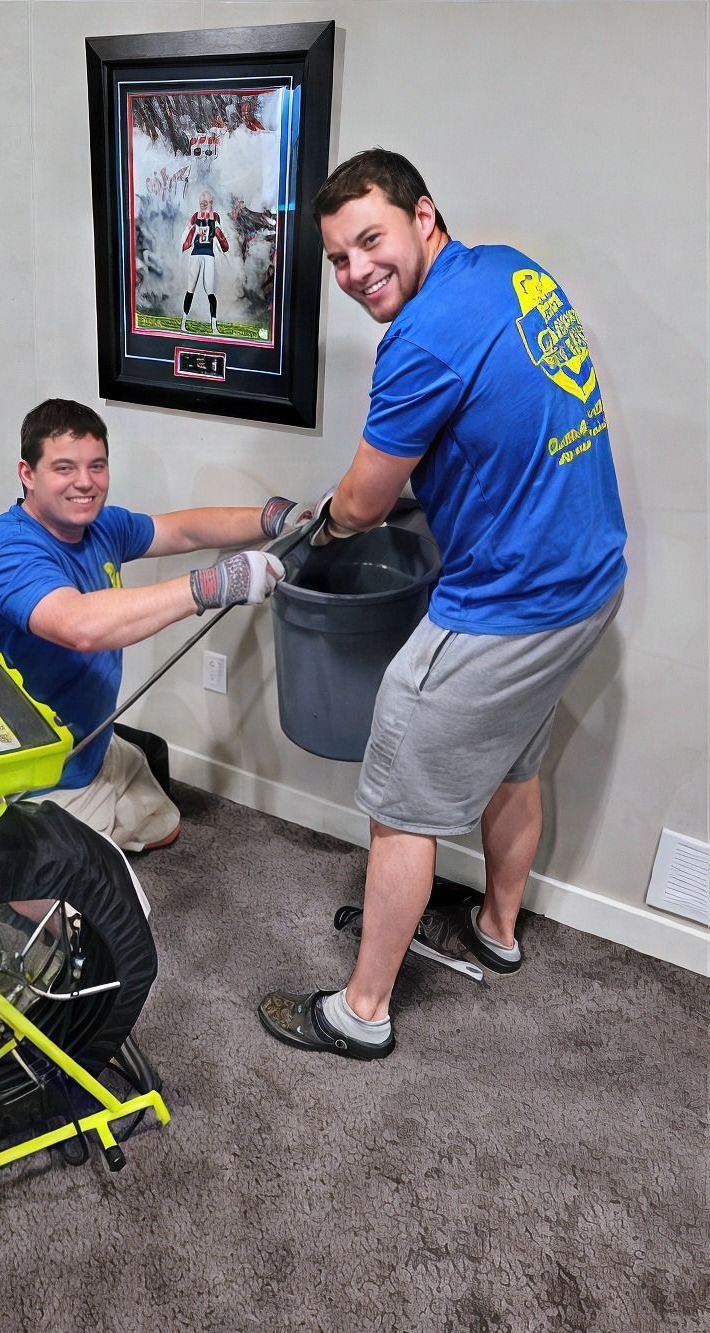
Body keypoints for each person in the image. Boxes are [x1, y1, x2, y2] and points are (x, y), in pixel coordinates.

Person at [258, 149, 627, 1061]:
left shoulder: (420, 339)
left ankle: (362, 1012)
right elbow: (496, 419)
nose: (355, 272)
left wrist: (323, 528)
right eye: (338, 258)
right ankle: (496, 930)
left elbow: (362, 501)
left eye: (370, 240)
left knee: (399, 805)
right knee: (514, 761)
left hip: (509, 601)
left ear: (424, 217)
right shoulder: (511, 272)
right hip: (590, 579)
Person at [0, 398, 301, 853]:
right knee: (90, 894)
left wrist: (275, 518)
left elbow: (184, 531)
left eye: (96, 466)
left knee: (165, 827)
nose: (85, 482)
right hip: (35, 776)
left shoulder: (101, 526)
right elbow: (80, 626)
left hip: (92, 746)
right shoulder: (5, 551)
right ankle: (4, 840)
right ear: (27, 474)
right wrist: (212, 585)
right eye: (64, 468)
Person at [181, 191, 229, 335]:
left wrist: (225, 248)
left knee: (210, 291)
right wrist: (184, 246)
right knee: (190, 289)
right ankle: (183, 323)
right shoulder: (195, 216)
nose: (202, 202)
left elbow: (219, 234)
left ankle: (214, 327)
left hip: (208, 255)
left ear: (210, 202)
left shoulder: (215, 216)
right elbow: (188, 232)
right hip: (196, 254)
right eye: (201, 200)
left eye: (205, 200)